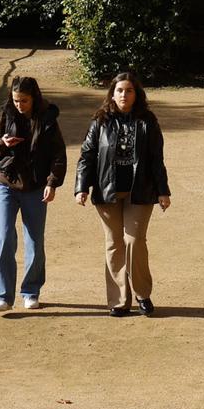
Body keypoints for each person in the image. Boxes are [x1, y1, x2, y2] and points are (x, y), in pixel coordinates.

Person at [74, 71, 171, 316]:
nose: (124, 95)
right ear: (112, 94)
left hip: (140, 190)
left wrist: (163, 191)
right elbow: (86, 156)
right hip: (107, 190)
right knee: (114, 244)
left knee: (134, 241)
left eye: (129, 90)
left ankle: (142, 293)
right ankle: (119, 301)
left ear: (136, 94)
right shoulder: (100, 121)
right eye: (119, 90)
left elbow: (156, 159)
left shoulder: (147, 121)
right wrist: (81, 187)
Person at [0, 74, 67, 312]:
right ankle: (2, 296)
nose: (19, 105)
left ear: (34, 98)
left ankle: (31, 291)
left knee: (34, 241)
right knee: (4, 238)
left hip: (35, 187)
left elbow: (58, 155)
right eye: (15, 100)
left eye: (24, 101)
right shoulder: (6, 114)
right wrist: (3, 143)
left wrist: (52, 183)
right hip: (8, 185)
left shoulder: (48, 119)